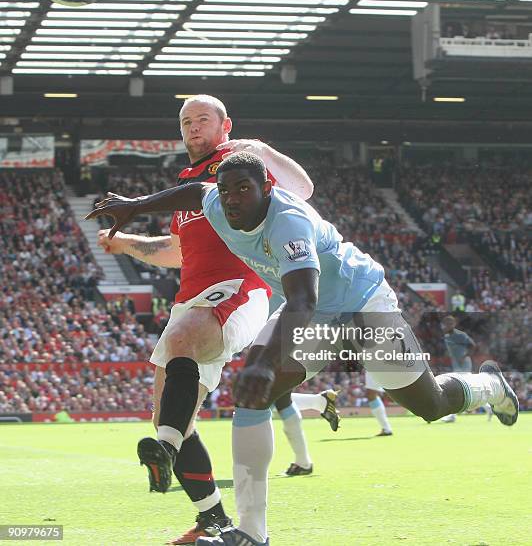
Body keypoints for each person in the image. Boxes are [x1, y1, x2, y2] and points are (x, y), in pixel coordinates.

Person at [87, 152, 518, 546]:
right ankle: (251, 532)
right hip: (317, 318)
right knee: (253, 394)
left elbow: (302, 301)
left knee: (432, 404)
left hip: (364, 308)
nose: (233, 199)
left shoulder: (288, 221)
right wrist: (135, 205)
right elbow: (196, 191)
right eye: (227, 190)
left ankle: (487, 385)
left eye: (244, 189)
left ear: (267, 190)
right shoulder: (217, 204)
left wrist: (262, 360)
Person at [95, 94, 334, 545]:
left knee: (182, 350)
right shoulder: (187, 184)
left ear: (226, 126)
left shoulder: (241, 169)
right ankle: (213, 519)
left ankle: (167, 450)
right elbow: (178, 251)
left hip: (240, 290)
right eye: (186, 121)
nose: (193, 127)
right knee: (171, 414)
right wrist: (125, 242)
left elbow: (303, 189)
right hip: (191, 298)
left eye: (203, 119)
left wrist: (260, 149)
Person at [439, 315, 491, 423]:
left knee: (460, 388)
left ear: (454, 324)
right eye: (446, 323)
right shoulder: (447, 336)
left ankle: (452, 416)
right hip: (456, 364)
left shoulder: (460, 335)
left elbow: (473, 345)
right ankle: (488, 408)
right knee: (465, 388)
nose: (448, 325)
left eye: (450, 323)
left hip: (463, 363)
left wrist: (464, 356)